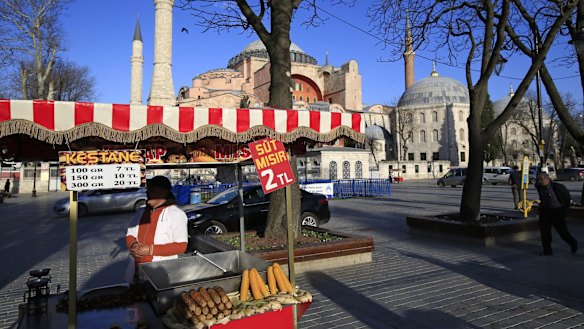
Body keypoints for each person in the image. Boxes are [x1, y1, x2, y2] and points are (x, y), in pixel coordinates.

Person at [125, 176, 188, 280]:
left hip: (160, 272)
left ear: (163, 192)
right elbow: (130, 234)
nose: (147, 193)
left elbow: (181, 246)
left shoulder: (176, 214)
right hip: (136, 271)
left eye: (152, 190)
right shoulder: (141, 211)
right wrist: (134, 244)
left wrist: (150, 250)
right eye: (148, 189)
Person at [535, 172, 578, 256]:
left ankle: (572, 242)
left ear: (547, 179)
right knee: (545, 232)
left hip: (557, 211)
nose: (539, 181)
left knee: (562, 231)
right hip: (545, 211)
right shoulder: (539, 186)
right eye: (538, 180)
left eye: (541, 180)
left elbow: (567, 199)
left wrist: (563, 209)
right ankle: (547, 251)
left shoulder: (558, 187)